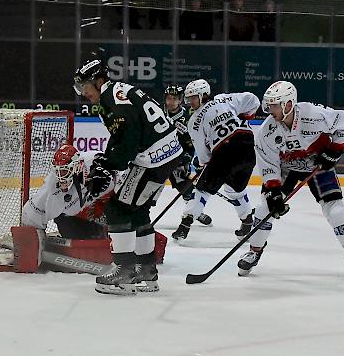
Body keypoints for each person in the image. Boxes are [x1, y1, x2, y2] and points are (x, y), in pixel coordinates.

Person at [237, 81, 344, 277]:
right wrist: (273, 192)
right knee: (265, 207)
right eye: (269, 104)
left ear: (288, 105)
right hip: (286, 169)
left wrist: (333, 152)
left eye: (274, 105)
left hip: (317, 166)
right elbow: (268, 163)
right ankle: (254, 251)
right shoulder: (267, 131)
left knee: (337, 212)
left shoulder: (314, 114)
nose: (269, 109)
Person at [73, 58, 182, 295]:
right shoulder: (115, 93)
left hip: (153, 158)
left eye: (84, 87)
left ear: (98, 80)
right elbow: (121, 135)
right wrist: (108, 158)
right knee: (138, 210)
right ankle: (147, 270)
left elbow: (129, 136)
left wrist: (111, 163)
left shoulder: (112, 97)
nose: (83, 93)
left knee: (118, 208)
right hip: (166, 155)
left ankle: (125, 270)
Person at [175, 79, 259, 241]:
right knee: (235, 190)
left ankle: (184, 225)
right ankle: (248, 221)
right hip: (248, 149)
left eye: (193, 97)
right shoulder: (223, 99)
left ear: (203, 95)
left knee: (202, 190)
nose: (190, 102)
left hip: (225, 151)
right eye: (189, 98)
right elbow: (252, 99)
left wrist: (202, 166)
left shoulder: (194, 121)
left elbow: (203, 153)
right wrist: (247, 115)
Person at [21, 144, 111, 240]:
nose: (60, 176)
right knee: (63, 220)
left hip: (102, 210)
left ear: (76, 166)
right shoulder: (52, 187)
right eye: (58, 171)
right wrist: (31, 238)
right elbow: (31, 215)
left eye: (64, 171)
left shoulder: (96, 162)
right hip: (80, 220)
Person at [162, 85, 213, 241]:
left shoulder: (187, 119)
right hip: (157, 157)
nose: (171, 102)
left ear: (180, 100)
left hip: (176, 158)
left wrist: (185, 160)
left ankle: (194, 211)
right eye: (169, 98)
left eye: (175, 99)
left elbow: (190, 144)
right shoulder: (157, 113)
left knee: (183, 184)